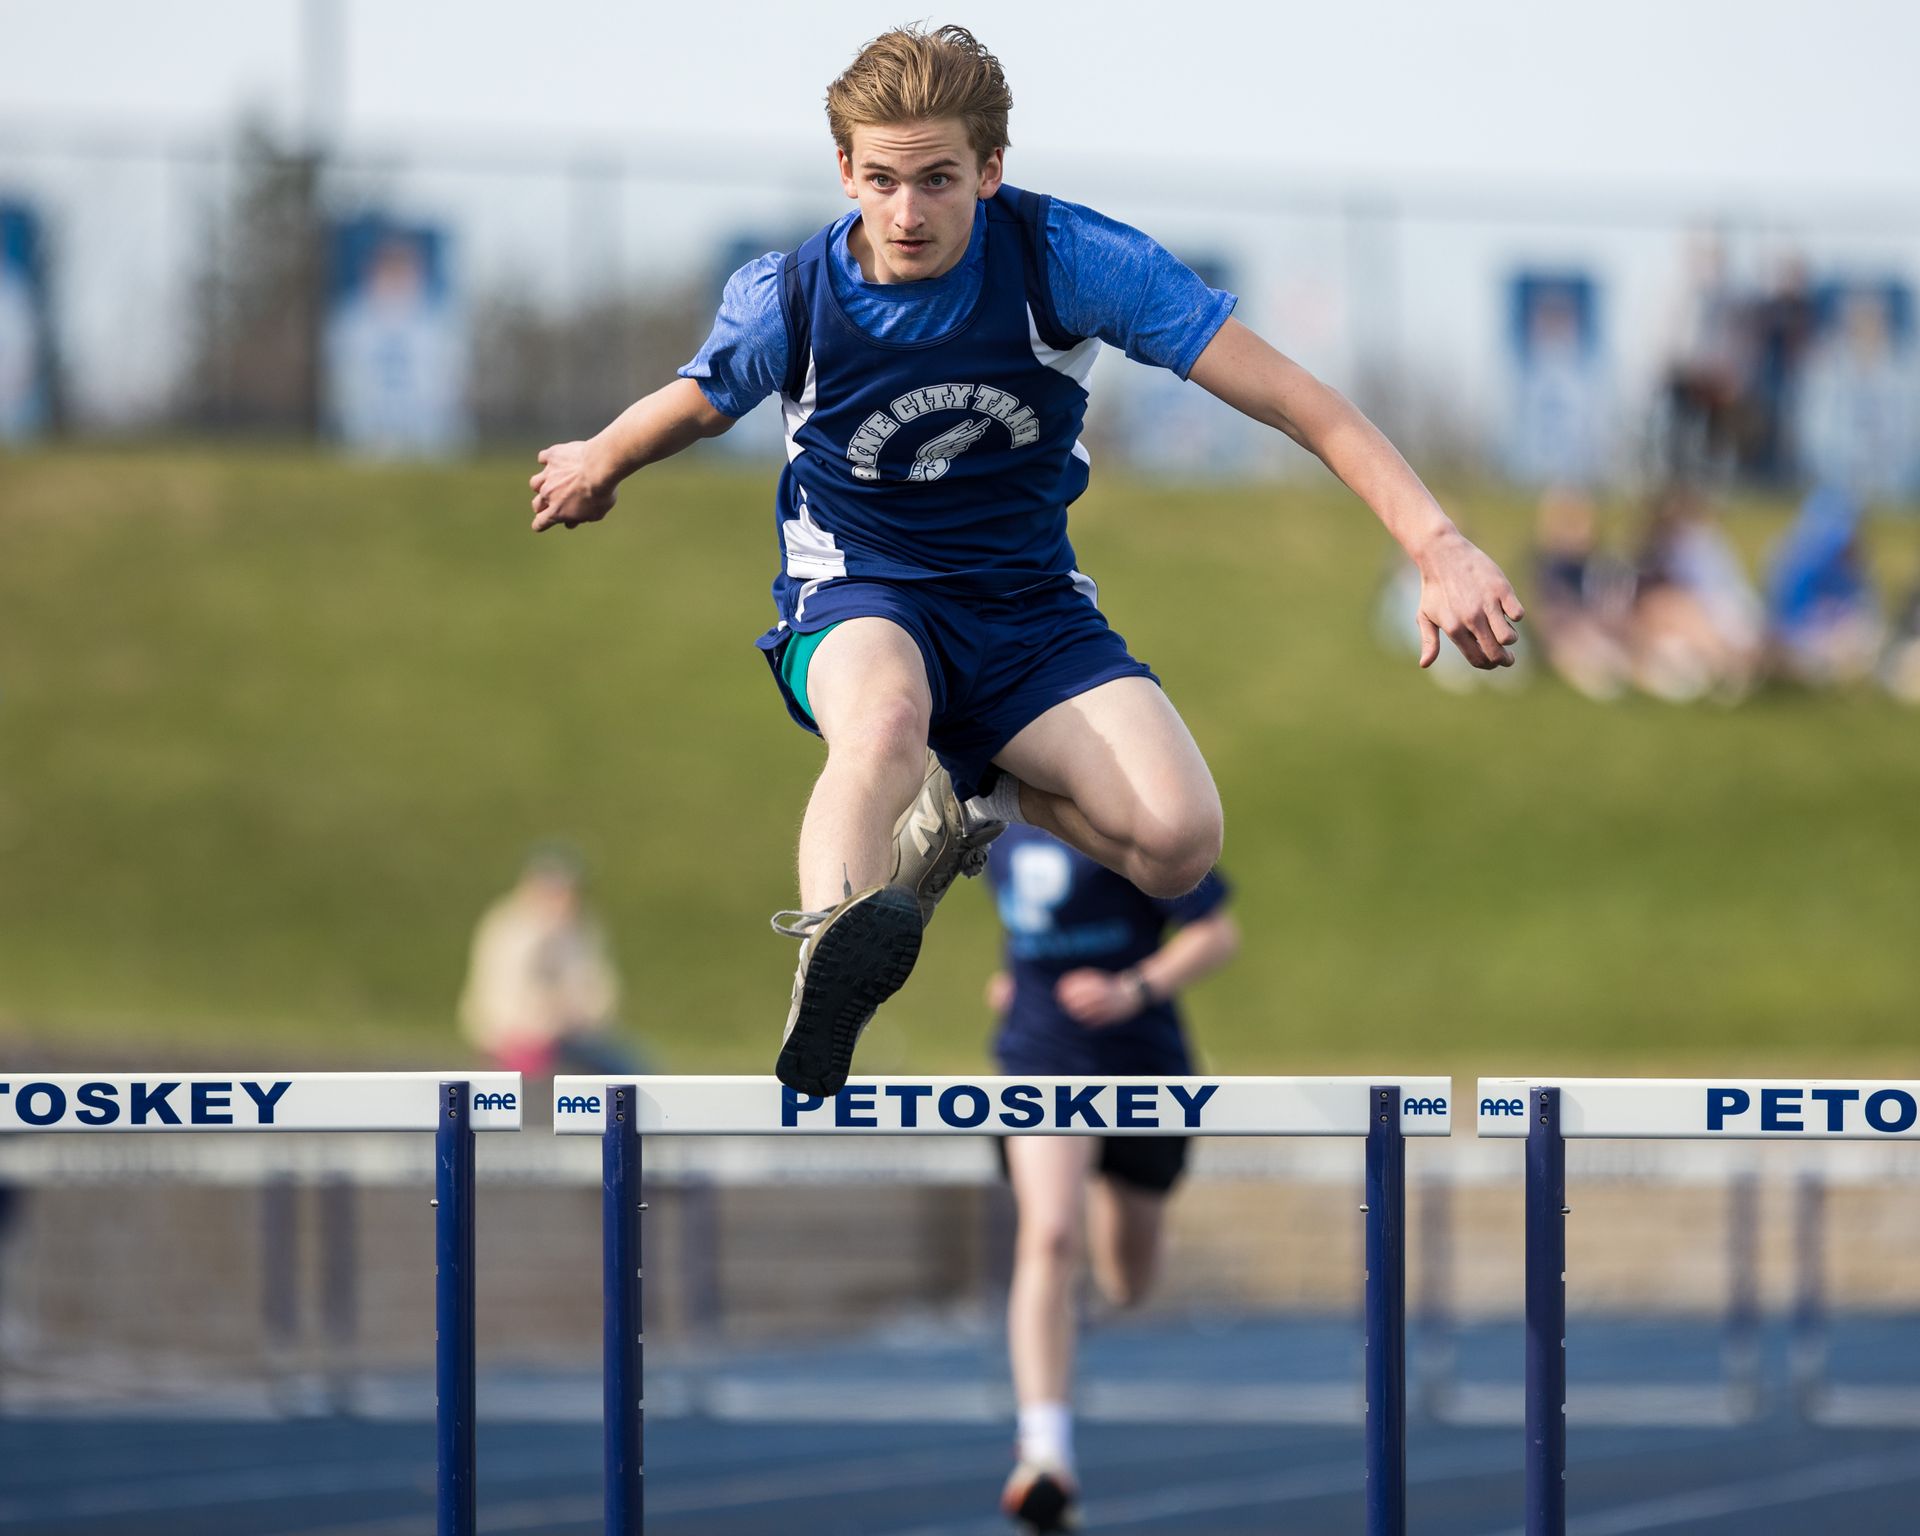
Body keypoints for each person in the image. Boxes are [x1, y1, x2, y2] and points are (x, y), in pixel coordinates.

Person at [527, 25, 1523, 1098]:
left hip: (1028, 608)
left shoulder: (1068, 262)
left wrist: (1436, 542)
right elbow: (699, 400)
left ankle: (976, 797)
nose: (907, 214)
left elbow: (1294, 399)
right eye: (882, 180)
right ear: (846, 170)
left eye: (938, 180)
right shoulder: (794, 295)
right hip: (861, 591)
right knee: (885, 724)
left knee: (1179, 842)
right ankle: (830, 961)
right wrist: (601, 459)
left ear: (990, 169)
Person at [983, 826, 1237, 1531]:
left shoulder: (1134, 822)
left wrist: (1132, 988)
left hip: (1141, 1066)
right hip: (1041, 1058)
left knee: (1128, 1284)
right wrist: (1014, 982)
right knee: (1049, 1237)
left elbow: (1216, 934)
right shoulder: (990, 816)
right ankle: (1044, 1455)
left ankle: (1099, 1191)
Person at [458, 846, 636, 1079]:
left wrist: (582, 1017)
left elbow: (598, 989)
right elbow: (500, 998)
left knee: (630, 1071)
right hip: (515, 1041)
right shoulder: (509, 928)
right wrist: (543, 1024)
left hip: (574, 1039)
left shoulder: (583, 929)